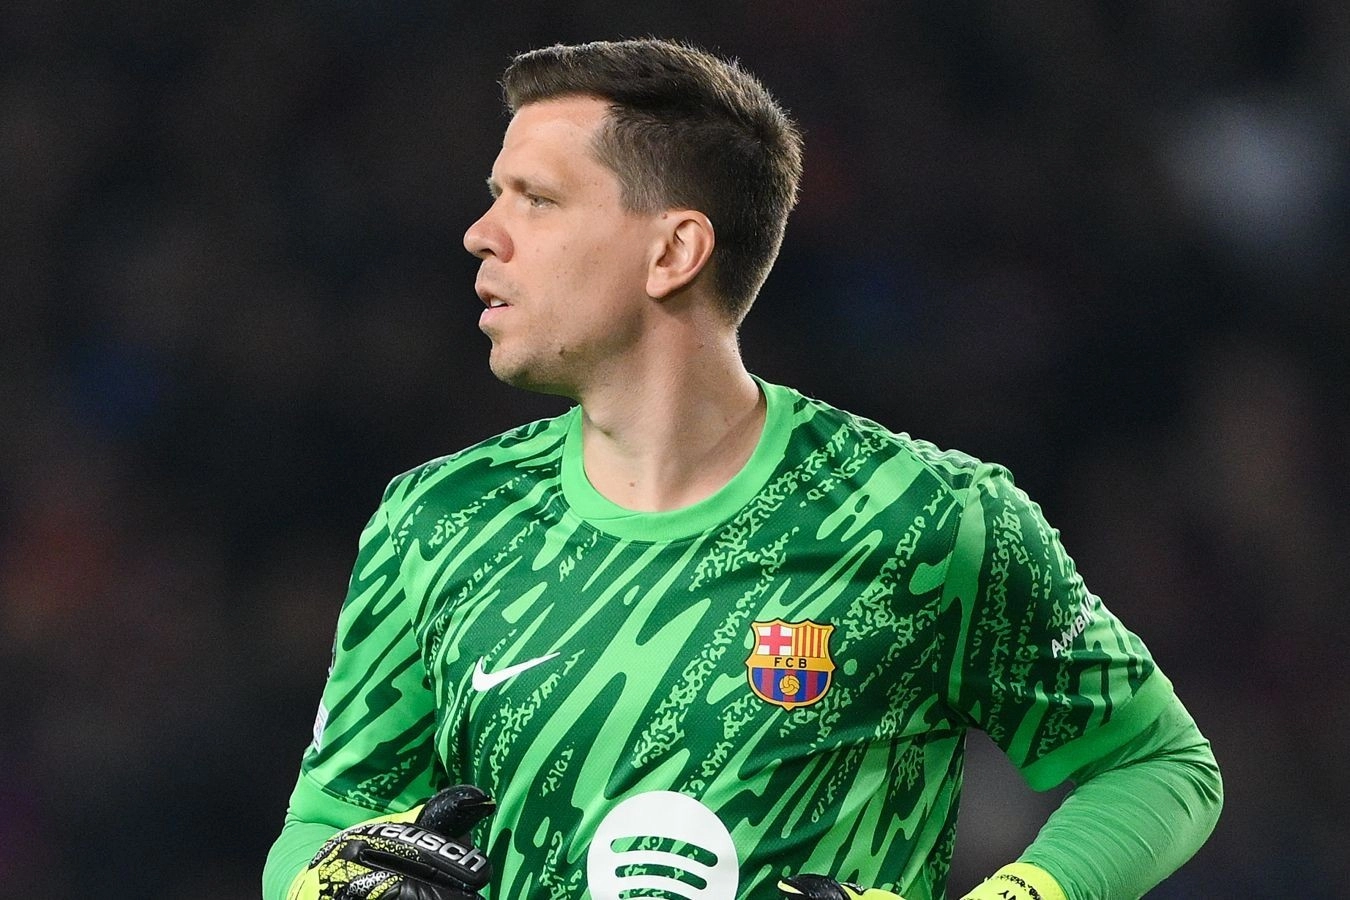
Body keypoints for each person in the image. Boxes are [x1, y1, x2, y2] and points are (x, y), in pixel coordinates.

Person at [264, 38, 1222, 900]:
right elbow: (327, 819)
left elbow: (1158, 766)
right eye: (495, 193)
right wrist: (327, 884)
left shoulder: (924, 519)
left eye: (537, 200)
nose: (483, 232)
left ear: (674, 250)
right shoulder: (438, 520)